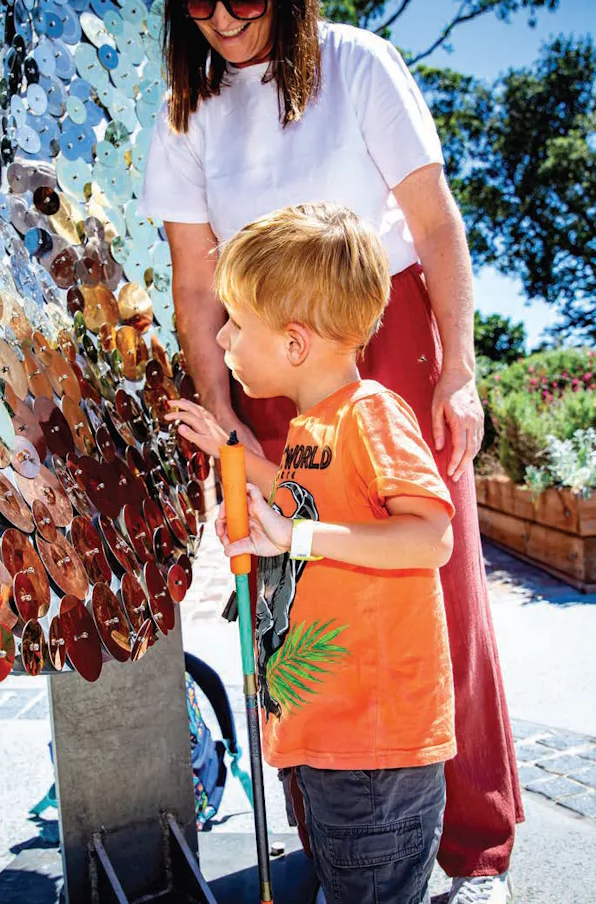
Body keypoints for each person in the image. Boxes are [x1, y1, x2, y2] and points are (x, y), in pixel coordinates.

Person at [140, 0, 522, 900]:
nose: (222, 19)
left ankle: (474, 846)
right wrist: (224, 414)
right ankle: (339, 836)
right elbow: (194, 283)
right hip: (262, 357)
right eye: (199, 0)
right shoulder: (187, 110)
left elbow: (436, 227)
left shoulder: (359, 62)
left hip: (383, 335)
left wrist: (461, 368)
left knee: (436, 590)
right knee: (295, 602)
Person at [169, 203, 457, 904]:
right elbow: (305, 492)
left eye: (236, 323)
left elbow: (431, 537)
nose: (225, 339)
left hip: (376, 755)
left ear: (294, 344)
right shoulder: (311, 427)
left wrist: (295, 537)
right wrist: (231, 452)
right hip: (335, 742)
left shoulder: (370, 413)